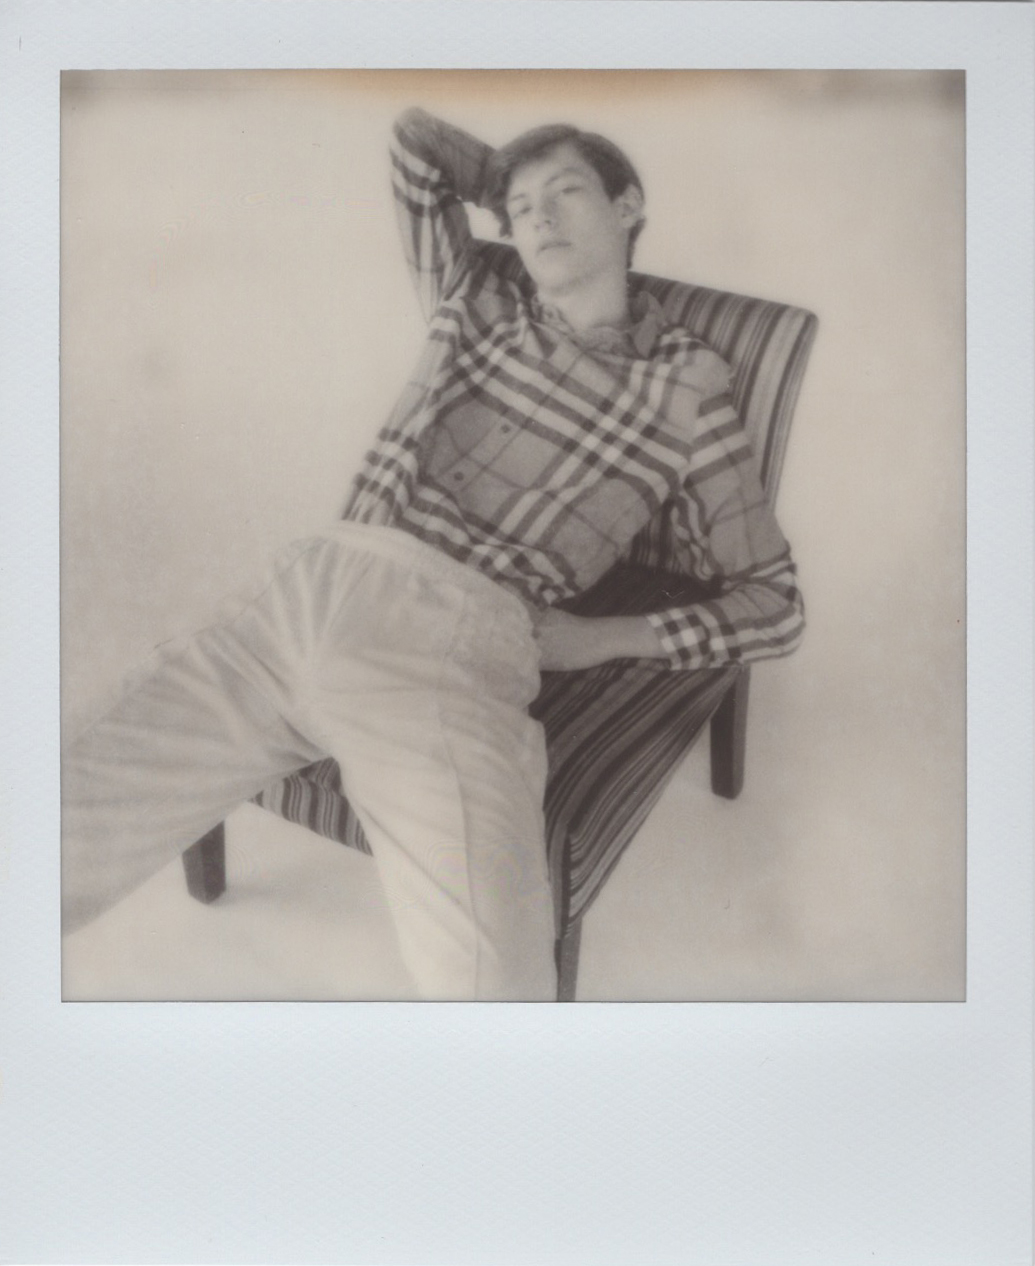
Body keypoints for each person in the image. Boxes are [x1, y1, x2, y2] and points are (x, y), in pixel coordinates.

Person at [62, 107, 804, 1001]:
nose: (538, 218)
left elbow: (774, 605)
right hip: (299, 594)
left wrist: (599, 640)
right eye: (520, 207)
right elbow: (415, 146)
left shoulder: (689, 387)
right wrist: (516, 192)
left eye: (568, 193)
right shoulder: (472, 291)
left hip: (448, 646)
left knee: (489, 991)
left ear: (627, 206)